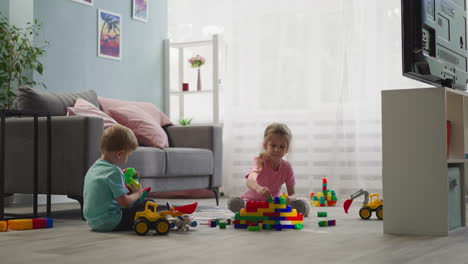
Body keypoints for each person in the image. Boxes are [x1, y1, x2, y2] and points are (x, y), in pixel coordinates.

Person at [227, 123, 310, 216]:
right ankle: (247, 207)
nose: (277, 150)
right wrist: (258, 188)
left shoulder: (287, 167)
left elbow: (293, 193)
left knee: (302, 205)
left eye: (281, 147)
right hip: (253, 202)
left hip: (274, 204)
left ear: (287, 149)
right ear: (265, 145)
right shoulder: (260, 161)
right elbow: (250, 181)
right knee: (233, 202)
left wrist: (289, 198)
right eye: (273, 145)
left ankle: (262, 211)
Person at [83, 125, 149, 231]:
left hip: (93, 222)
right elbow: (124, 203)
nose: (127, 158)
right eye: (128, 155)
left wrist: (123, 176)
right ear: (120, 153)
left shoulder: (93, 168)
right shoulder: (114, 171)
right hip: (112, 222)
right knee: (147, 204)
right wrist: (138, 193)